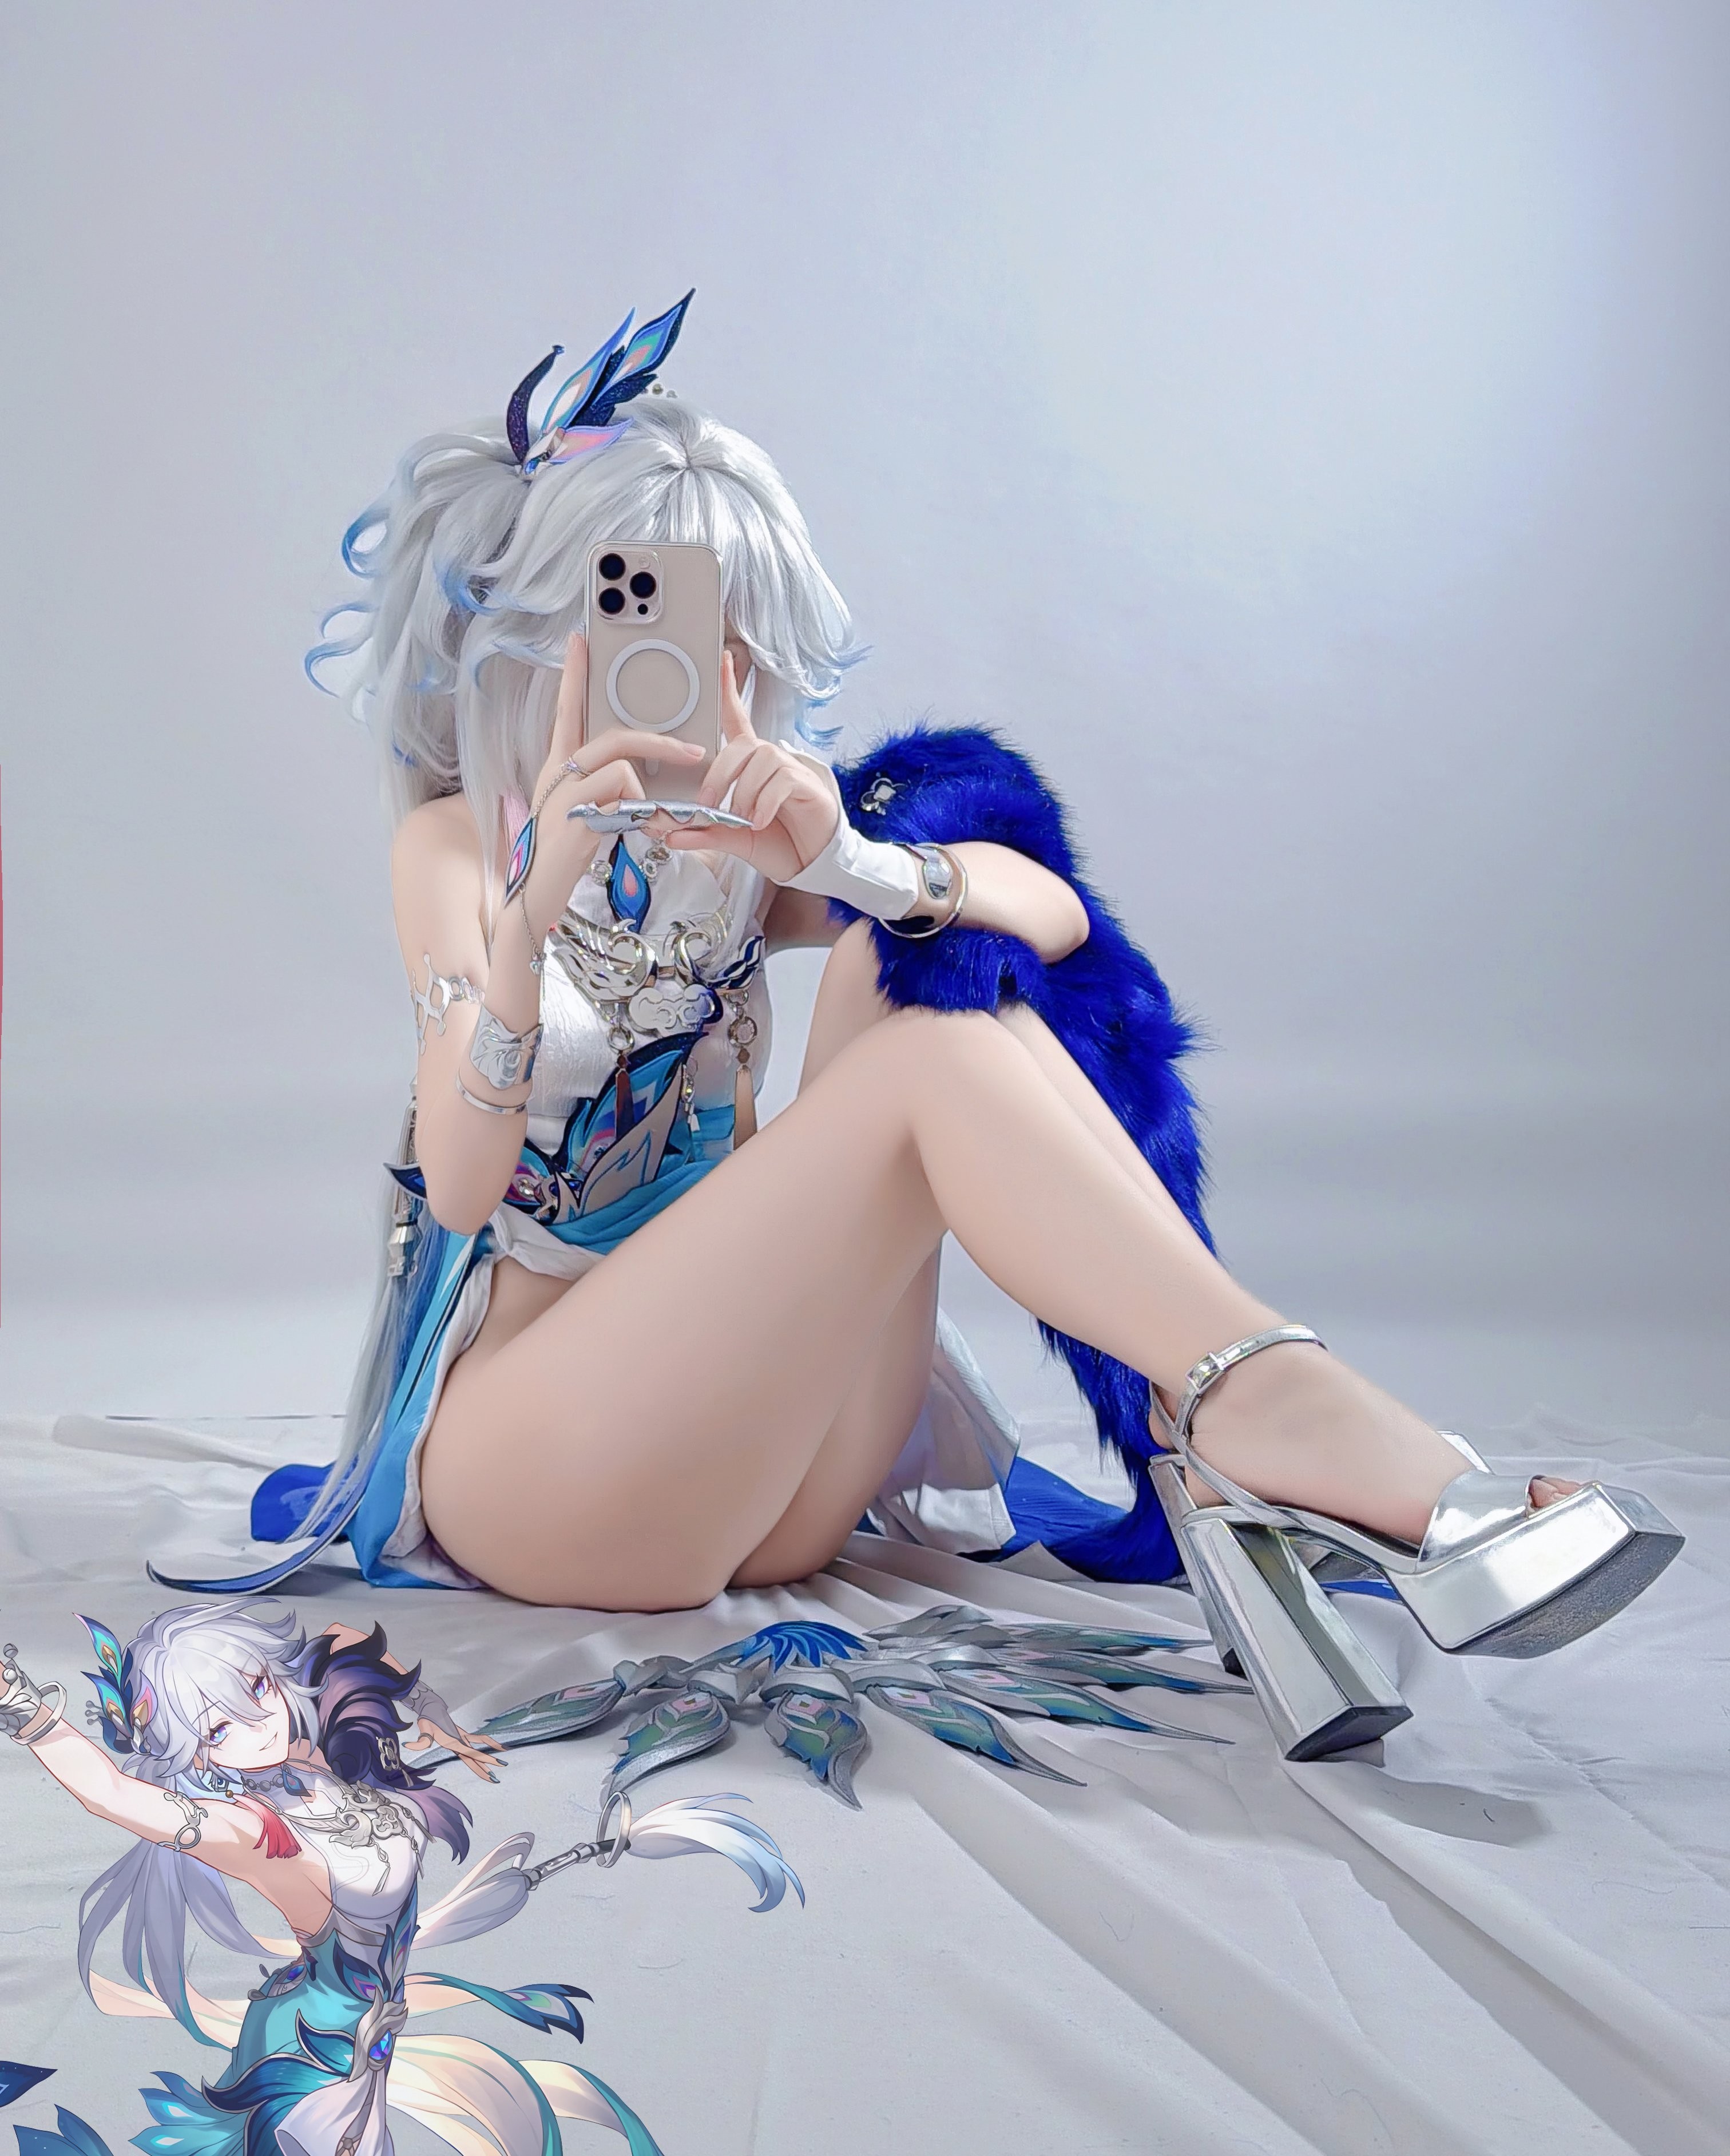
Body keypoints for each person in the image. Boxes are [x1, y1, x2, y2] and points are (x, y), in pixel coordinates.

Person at [154, 295, 1680, 1757]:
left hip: (783, 1471)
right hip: (549, 1479)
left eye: (729, 629)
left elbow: (1056, 925)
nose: (697, 670)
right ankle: (1252, 1412)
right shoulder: (460, 846)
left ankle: (1237, 1423)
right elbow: (462, 1182)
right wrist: (536, 902)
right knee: (926, 1070)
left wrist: (854, 864)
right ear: (540, 645)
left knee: (912, 970)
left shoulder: (745, 844)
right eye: (638, 621)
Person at [0, 1602, 796, 2155]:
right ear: (199, 1755)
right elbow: (112, 1794)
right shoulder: (253, 1831)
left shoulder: (324, 1748)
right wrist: (24, 1708)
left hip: (367, 2034)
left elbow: (349, 1644)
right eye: (216, 1727)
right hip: (315, 2054)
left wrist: (435, 1714)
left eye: (257, 1687)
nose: (257, 1721)